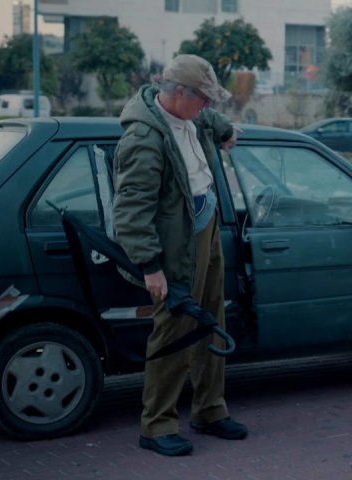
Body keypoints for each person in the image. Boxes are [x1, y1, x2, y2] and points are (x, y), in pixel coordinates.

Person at [113, 54, 247, 457]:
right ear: (177, 93)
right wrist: (151, 267)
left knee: (210, 321)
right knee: (172, 333)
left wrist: (225, 129)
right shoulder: (144, 139)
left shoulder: (192, 117)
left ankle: (209, 409)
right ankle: (156, 425)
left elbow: (213, 124)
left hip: (205, 229)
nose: (208, 106)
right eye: (203, 98)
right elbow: (131, 212)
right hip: (173, 248)